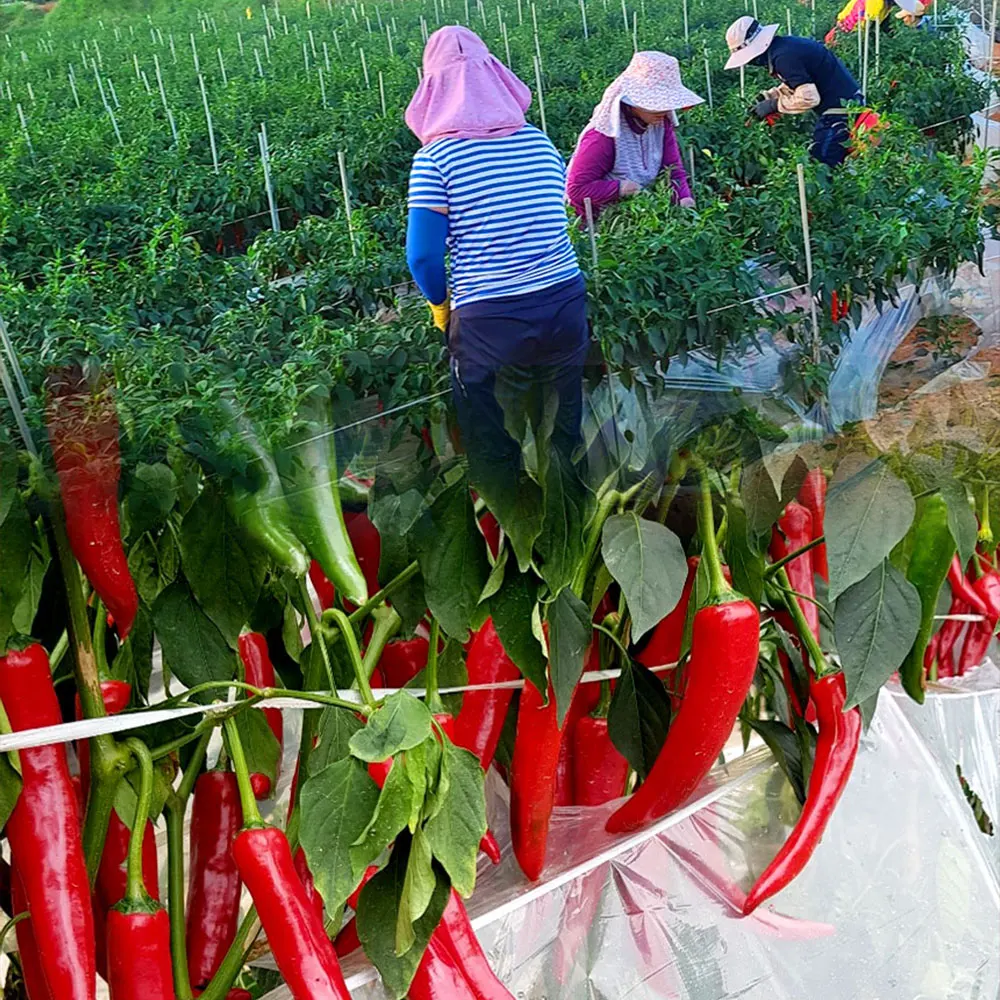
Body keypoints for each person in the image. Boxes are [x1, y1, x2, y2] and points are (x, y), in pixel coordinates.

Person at [404, 26, 588, 502]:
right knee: (563, 425)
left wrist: (440, 307)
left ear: (432, 89)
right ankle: (570, 516)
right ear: (497, 78)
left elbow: (423, 255)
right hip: (564, 300)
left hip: (490, 317)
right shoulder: (538, 142)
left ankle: (512, 519)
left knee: (488, 435)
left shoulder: (435, 159)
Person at [566, 51, 703, 219]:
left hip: (636, 215)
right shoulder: (603, 135)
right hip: (595, 223)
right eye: (656, 103)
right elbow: (576, 190)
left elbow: (673, 169)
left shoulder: (661, 122)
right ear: (631, 102)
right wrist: (621, 188)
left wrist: (684, 198)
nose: (664, 110)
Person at [725, 16, 863, 167]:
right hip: (846, 99)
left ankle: (837, 188)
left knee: (822, 160)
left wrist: (773, 105)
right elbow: (799, 83)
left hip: (840, 108)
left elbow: (809, 97)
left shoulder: (784, 58)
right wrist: (768, 97)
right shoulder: (784, 48)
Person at [824, 0, 926, 45]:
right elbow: (870, 23)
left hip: (856, 33)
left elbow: (885, 25)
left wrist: (891, 39)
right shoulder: (877, 1)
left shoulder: (887, 5)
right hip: (846, 33)